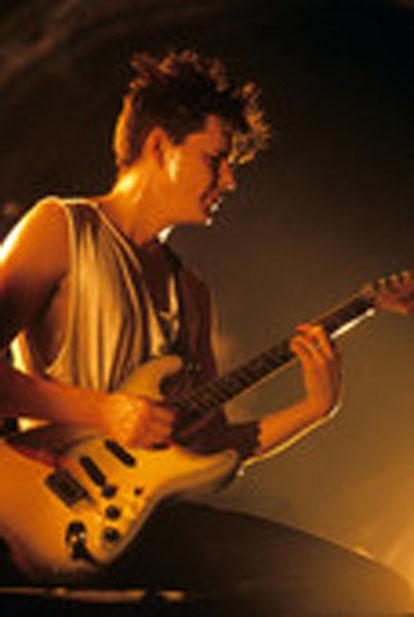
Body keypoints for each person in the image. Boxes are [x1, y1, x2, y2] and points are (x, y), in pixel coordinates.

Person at [0, 50, 410, 615]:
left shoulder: (191, 293)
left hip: (147, 521)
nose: (230, 180)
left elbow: (208, 447)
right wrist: (105, 411)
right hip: (52, 513)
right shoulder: (62, 228)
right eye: (215, 159)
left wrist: (313, 409)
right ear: (158, 146)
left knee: (371, 591)